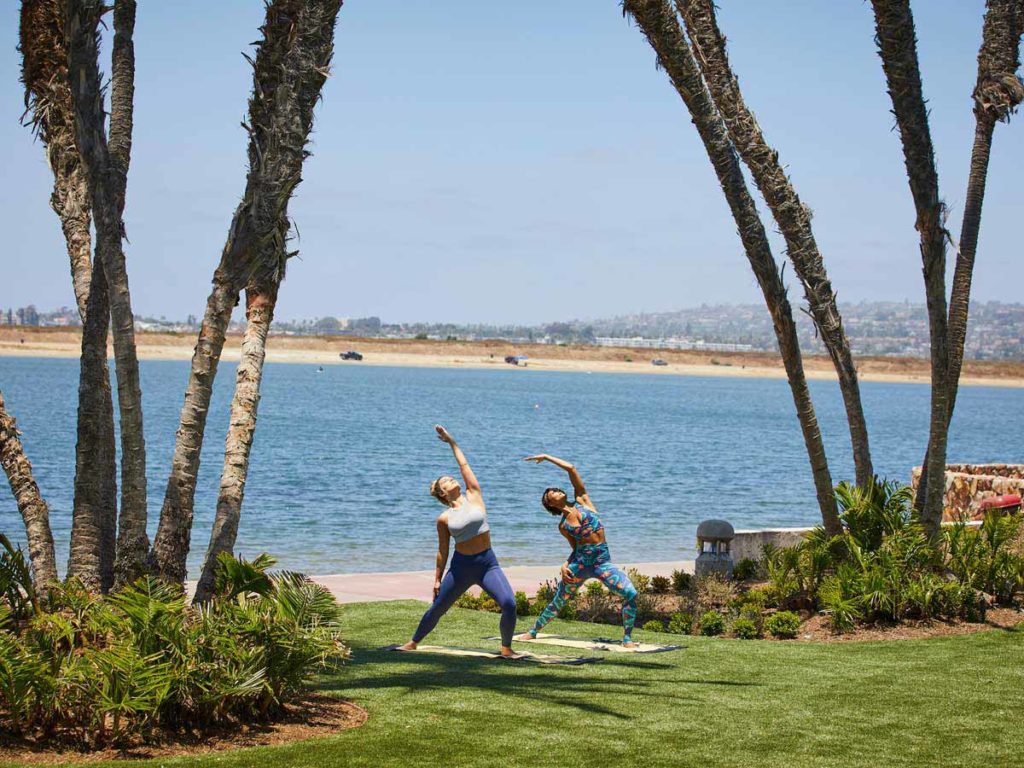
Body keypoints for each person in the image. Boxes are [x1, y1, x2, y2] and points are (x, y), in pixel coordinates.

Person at [399, 425, 519, 657]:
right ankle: (413, 642)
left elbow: (463, 466)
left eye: (452, 478)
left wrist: (451, 442)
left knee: (509, 604)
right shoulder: (444, 518)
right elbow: (442, 551)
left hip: (487, 564)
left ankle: (506, 649)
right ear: (443, 493)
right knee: (439, 607)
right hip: (461, 567)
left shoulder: (473, 495)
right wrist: (436, 579)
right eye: (447, 481)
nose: (452, 479)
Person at [516, 454, 638, 647]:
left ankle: (627, 638)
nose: (557, 490)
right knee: (559, 600)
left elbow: (571, 468)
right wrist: (565, 565)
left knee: (630, 593)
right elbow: (576, 549)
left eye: (557, 489)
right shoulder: (563, 526)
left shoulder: (583, 501)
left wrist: (547, 457)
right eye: (552, 492)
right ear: (550, 503)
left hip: (602, 563)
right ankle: (533, 631)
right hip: (579, 565)